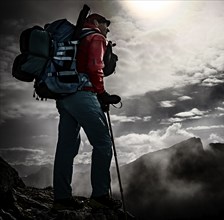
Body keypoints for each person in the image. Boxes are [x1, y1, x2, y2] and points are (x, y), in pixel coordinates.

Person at [52, 13, 122, 210]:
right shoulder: (96, 36)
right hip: (83, 94)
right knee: (103, 143)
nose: (107, 30)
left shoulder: (73, 37)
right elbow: (95, 67)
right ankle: (99, 196)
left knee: (66, 147)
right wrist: (102, 93)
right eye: (106, 26)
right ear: (97, 23)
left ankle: (61, 198)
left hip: (64, 96)